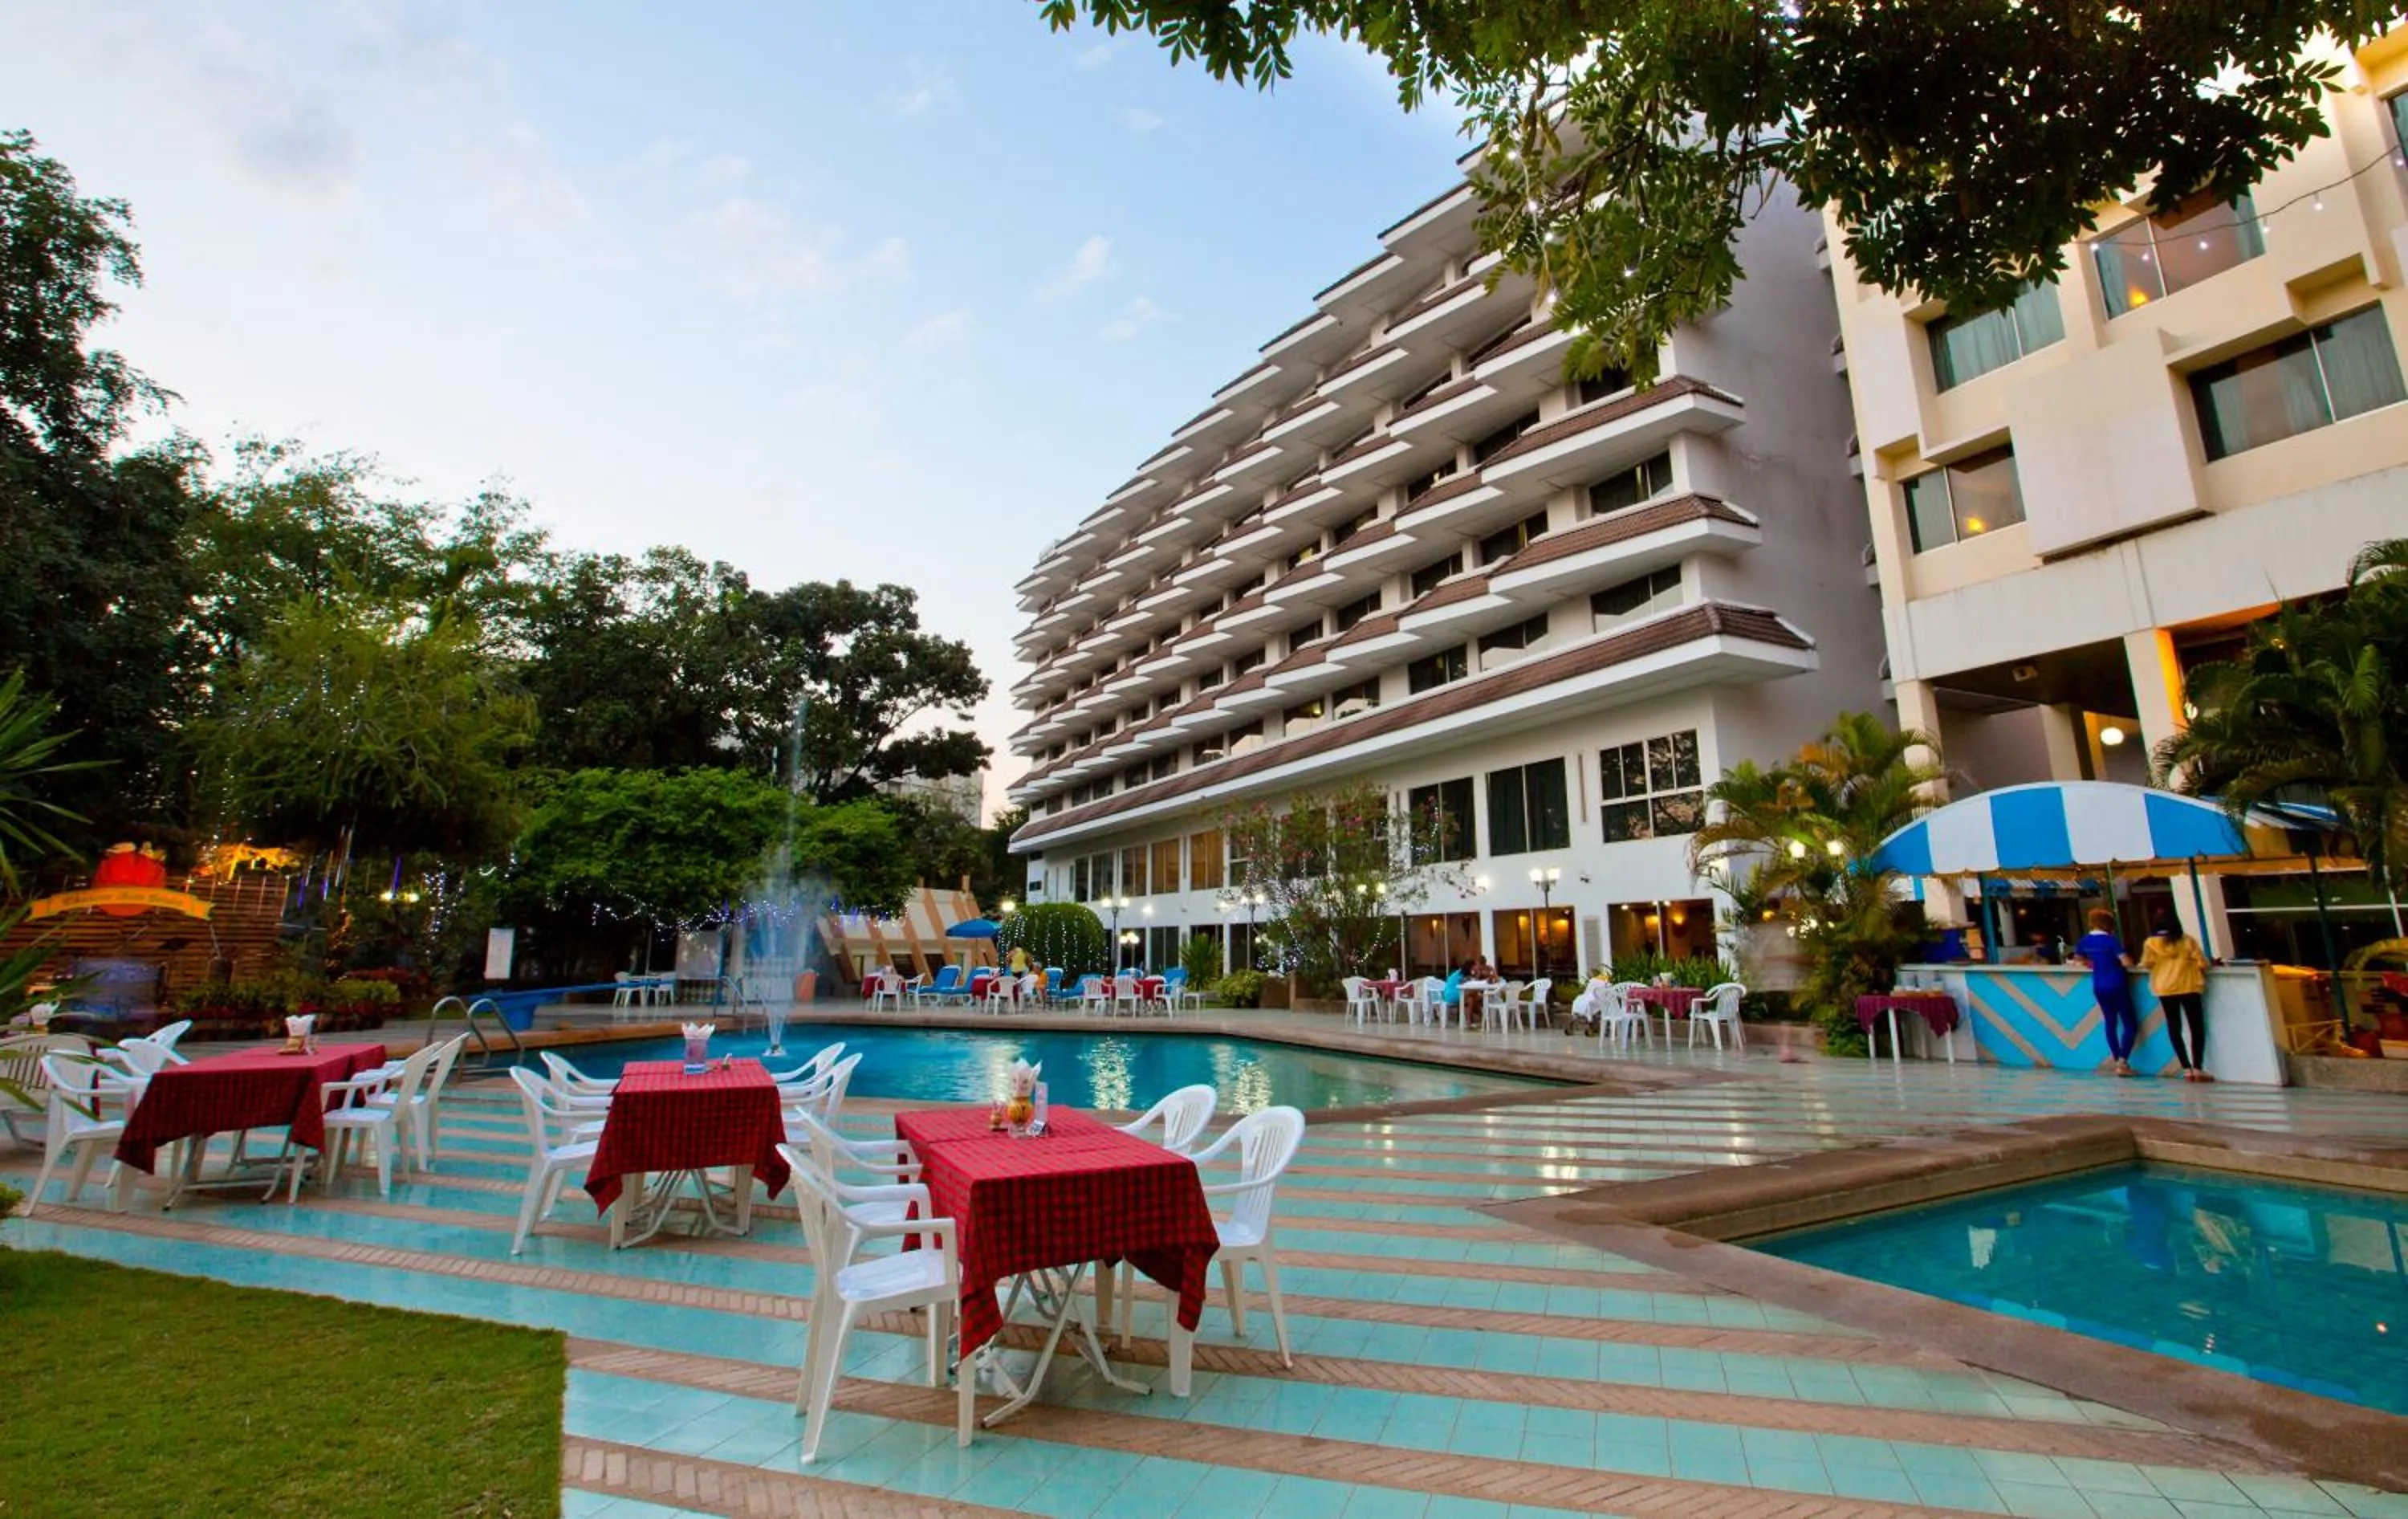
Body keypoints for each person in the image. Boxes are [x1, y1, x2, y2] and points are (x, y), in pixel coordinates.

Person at [2141, 913, 2212, 1081]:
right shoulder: (2187, 941)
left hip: (2165, 989)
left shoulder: (2151, 943)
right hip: (2189, 987)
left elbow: (2147, 964)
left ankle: (2186, 1068)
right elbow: (2202, 963)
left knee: (2174, 1026)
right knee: (2196, 1027)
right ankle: (2198, 1067)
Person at [2071, 908, 2139, 1077]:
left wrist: (2093, 963)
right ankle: (2123, 1061)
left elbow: (2078, 961)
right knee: (2130, 1023)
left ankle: (2117, 1060)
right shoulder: (2111, 941)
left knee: (2110, 1022)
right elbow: (2126, 962)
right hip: (2117, 984)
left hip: (2099, 986)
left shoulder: (2084, 941)